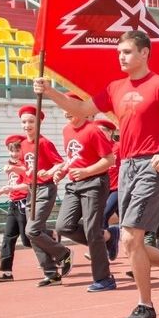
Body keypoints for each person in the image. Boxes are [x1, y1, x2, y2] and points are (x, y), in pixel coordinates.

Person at [34, 30, 159, 318]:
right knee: (129, 244)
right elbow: (82, 109)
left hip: (152, 165)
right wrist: (50, 92)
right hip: (127, 167)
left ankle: (145, 305)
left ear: (144, 53)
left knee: (130, 237)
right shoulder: (115, 88)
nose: (121, 57)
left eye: (127, 52)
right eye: (119, 52)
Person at [56, 111, 118, 292]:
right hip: (75, 183)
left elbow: (109, 159)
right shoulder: (67, 130)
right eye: (63, 107)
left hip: (94, 182)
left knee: (92, 230)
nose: (66, 111)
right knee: (63, 226)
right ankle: (108, 237)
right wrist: (62, 171)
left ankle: (104, 278)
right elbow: (73, 158)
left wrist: (86, 172)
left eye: (69, 106)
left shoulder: (93, 131)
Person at [14, 105, 74, 285]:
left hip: (45, 189)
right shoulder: (23, 145)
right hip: (31, 191)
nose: (27, 125)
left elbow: (60, 164)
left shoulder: (44, 143)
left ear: (39, 122)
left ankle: (63, 253)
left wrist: (48, 172)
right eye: (24, 122)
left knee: (32, 230)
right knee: (33, 232)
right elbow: (27, 168)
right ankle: (51, 273)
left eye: (31, 121)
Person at [0, 132, 30, 282]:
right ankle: (6, 272)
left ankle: (53, 241)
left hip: (24, 203)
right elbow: (12, 185)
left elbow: (27, 186)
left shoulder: (26, 165)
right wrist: (0, 191)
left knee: (28, 239)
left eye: (17, 150)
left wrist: (12, 188)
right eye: (11, 150)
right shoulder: (11, 165)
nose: (14, 153)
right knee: (8, 237)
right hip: (13, 204)